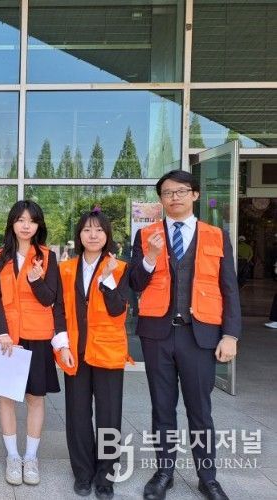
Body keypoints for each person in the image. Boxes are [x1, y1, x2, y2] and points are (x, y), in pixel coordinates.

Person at [130, 170, 241, 500]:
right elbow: (134, 283)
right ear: (161, 199)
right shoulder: (146, 235)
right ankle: (164, 473)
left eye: (180, 191)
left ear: (194, 195)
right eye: (167, 193)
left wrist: (230, 335)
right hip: (158, 335)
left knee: (200, 410)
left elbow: (229, 288)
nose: (174, 197)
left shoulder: (216, 236)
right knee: (162, 408)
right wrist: (150, 258)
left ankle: (208, 478)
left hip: (200, 336)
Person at [0, 200, 65, 487]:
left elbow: (49, 298)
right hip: (7, 338)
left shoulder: (47, 257)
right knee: (6, 398)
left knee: (35, 398)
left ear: (38, 226)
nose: (25, 225)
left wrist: (35, 280)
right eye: (20, 219)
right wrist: (2, 332)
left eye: (31, 220)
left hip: (37, 336)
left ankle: (30, 458)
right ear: (12, 223)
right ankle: (13, 456)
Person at [54, 209, 131, 499]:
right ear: (79, 235)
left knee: (109, 416)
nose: (93, 235)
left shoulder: (120, 268)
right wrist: (62, 345)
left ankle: (106, 476)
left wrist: (108, 279)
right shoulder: (66, 268)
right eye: (87, 230)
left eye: (99, 230)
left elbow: (118, 309)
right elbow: (58, 309)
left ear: (107, 235)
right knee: (77, 414)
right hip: (76, 351)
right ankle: (83, 474)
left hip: (107, 351)